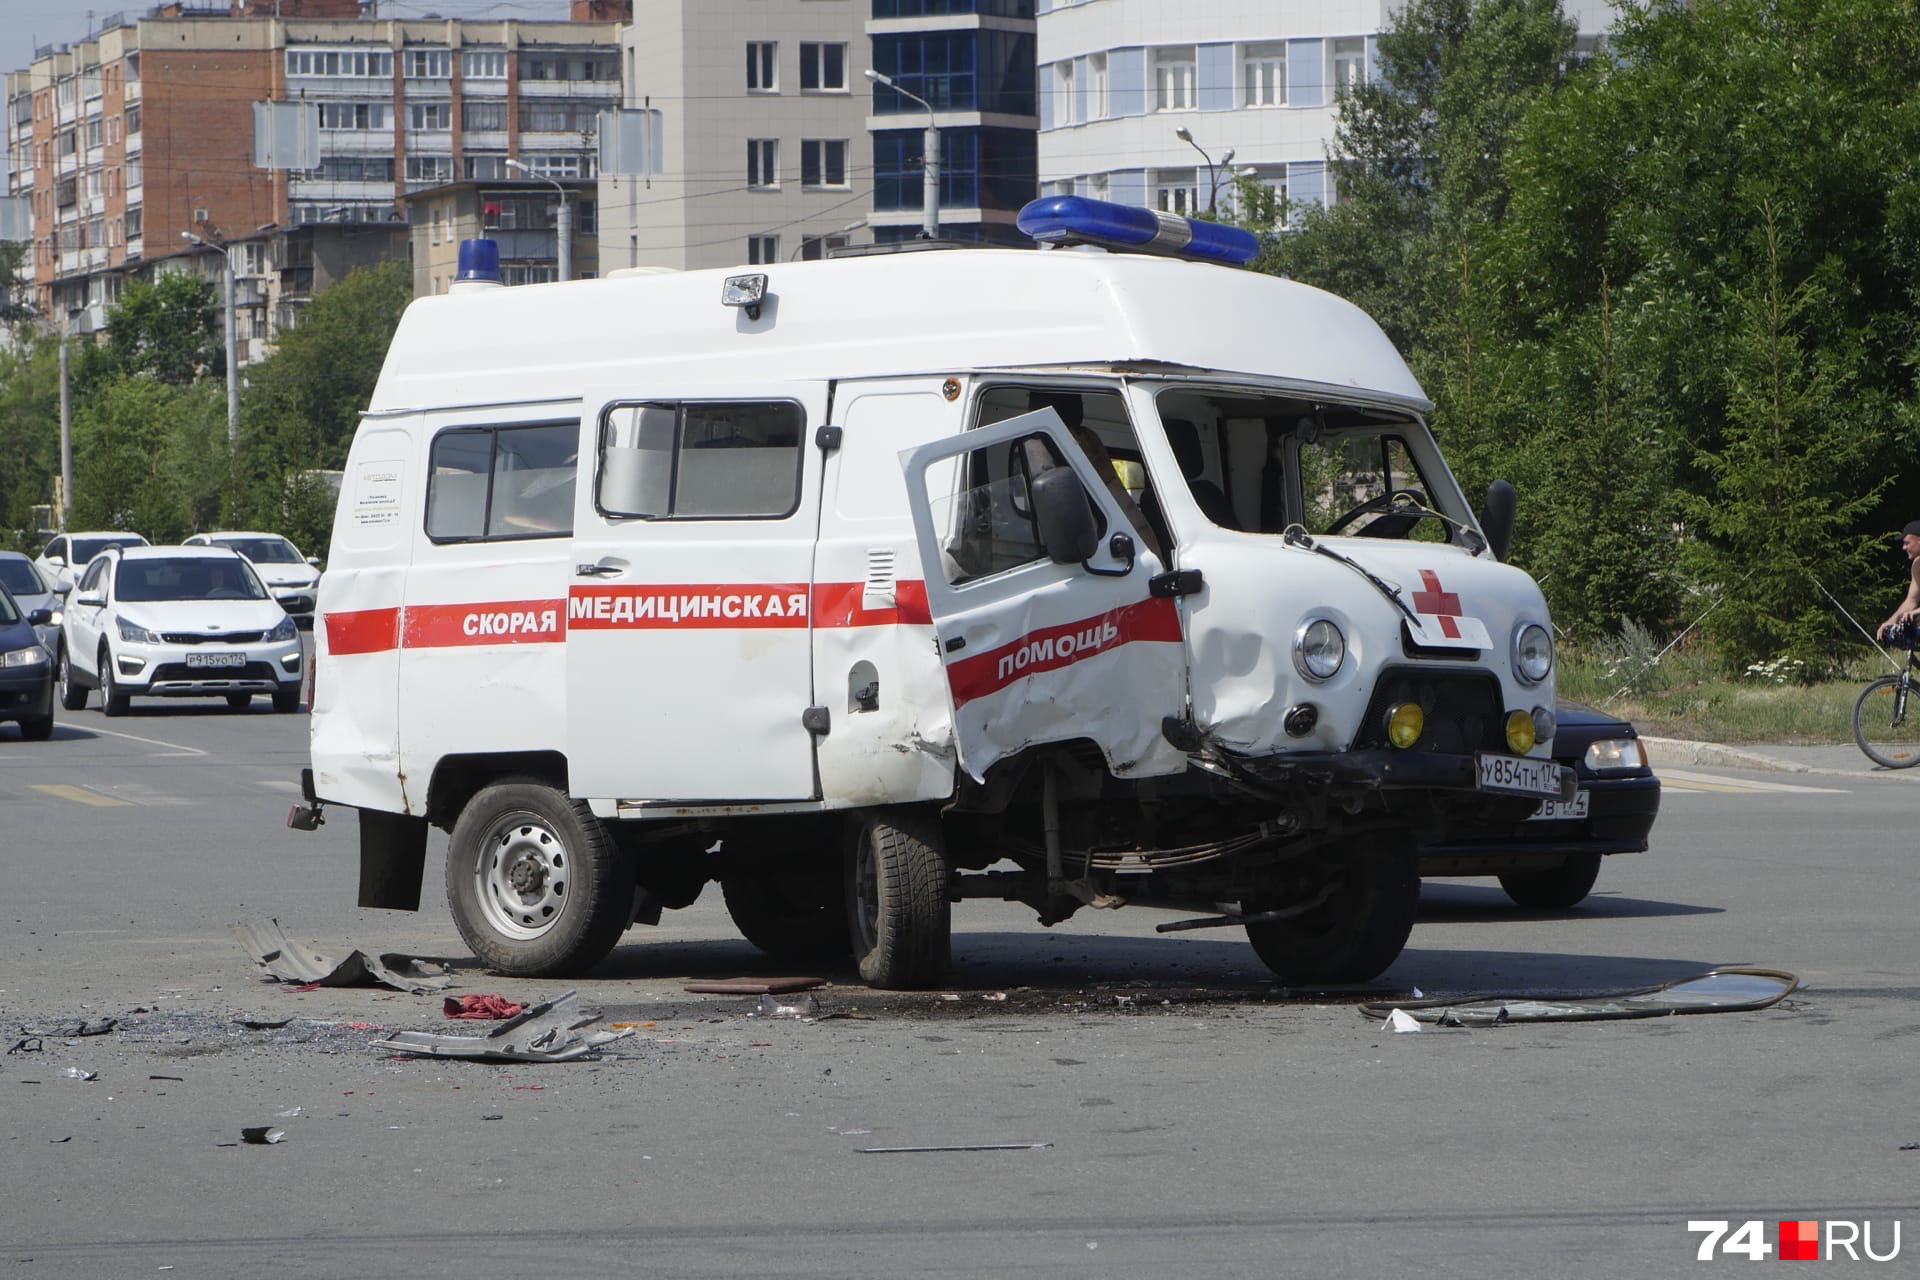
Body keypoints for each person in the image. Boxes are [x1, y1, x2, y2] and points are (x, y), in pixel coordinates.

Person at [1877, 520, 1920, 643]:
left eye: (1907, 543)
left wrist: (1917, 612)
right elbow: (1911, 600)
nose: (1904, 547)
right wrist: (1889, 623)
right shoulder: (1917, 566)